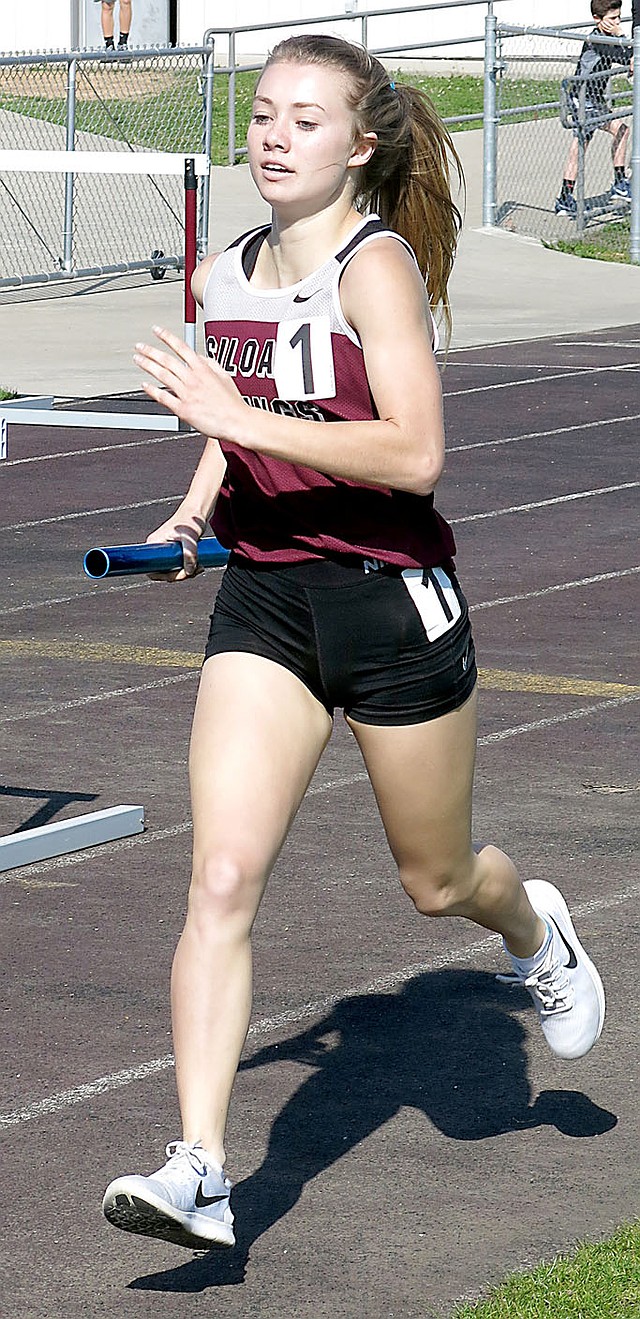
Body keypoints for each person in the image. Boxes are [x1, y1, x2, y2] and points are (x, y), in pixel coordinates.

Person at [101, 34, 605, 1253]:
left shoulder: (374, 267)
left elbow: (415, 452)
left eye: (305, 120)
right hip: (268, 602)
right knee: (218, 876)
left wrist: (239, 413)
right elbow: (231, 431)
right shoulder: (226, 269)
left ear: (360, 142)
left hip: (391, 600)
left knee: (435, 883)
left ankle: (531, 924)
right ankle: (201, 1167)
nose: (273, 136)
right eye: (263, 114)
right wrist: (190, 515)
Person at [555, 0, 633, 215]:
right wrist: (621, 35)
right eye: (611, 19)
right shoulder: (596, 39)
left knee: (602, 137)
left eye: (618, 18)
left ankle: (565, 197)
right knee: (586, 142)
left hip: (594, 99)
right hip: (582, 98)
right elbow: (625, 57)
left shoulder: (606, 36)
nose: (616, 22)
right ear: (597, 19)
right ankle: (618, 184)